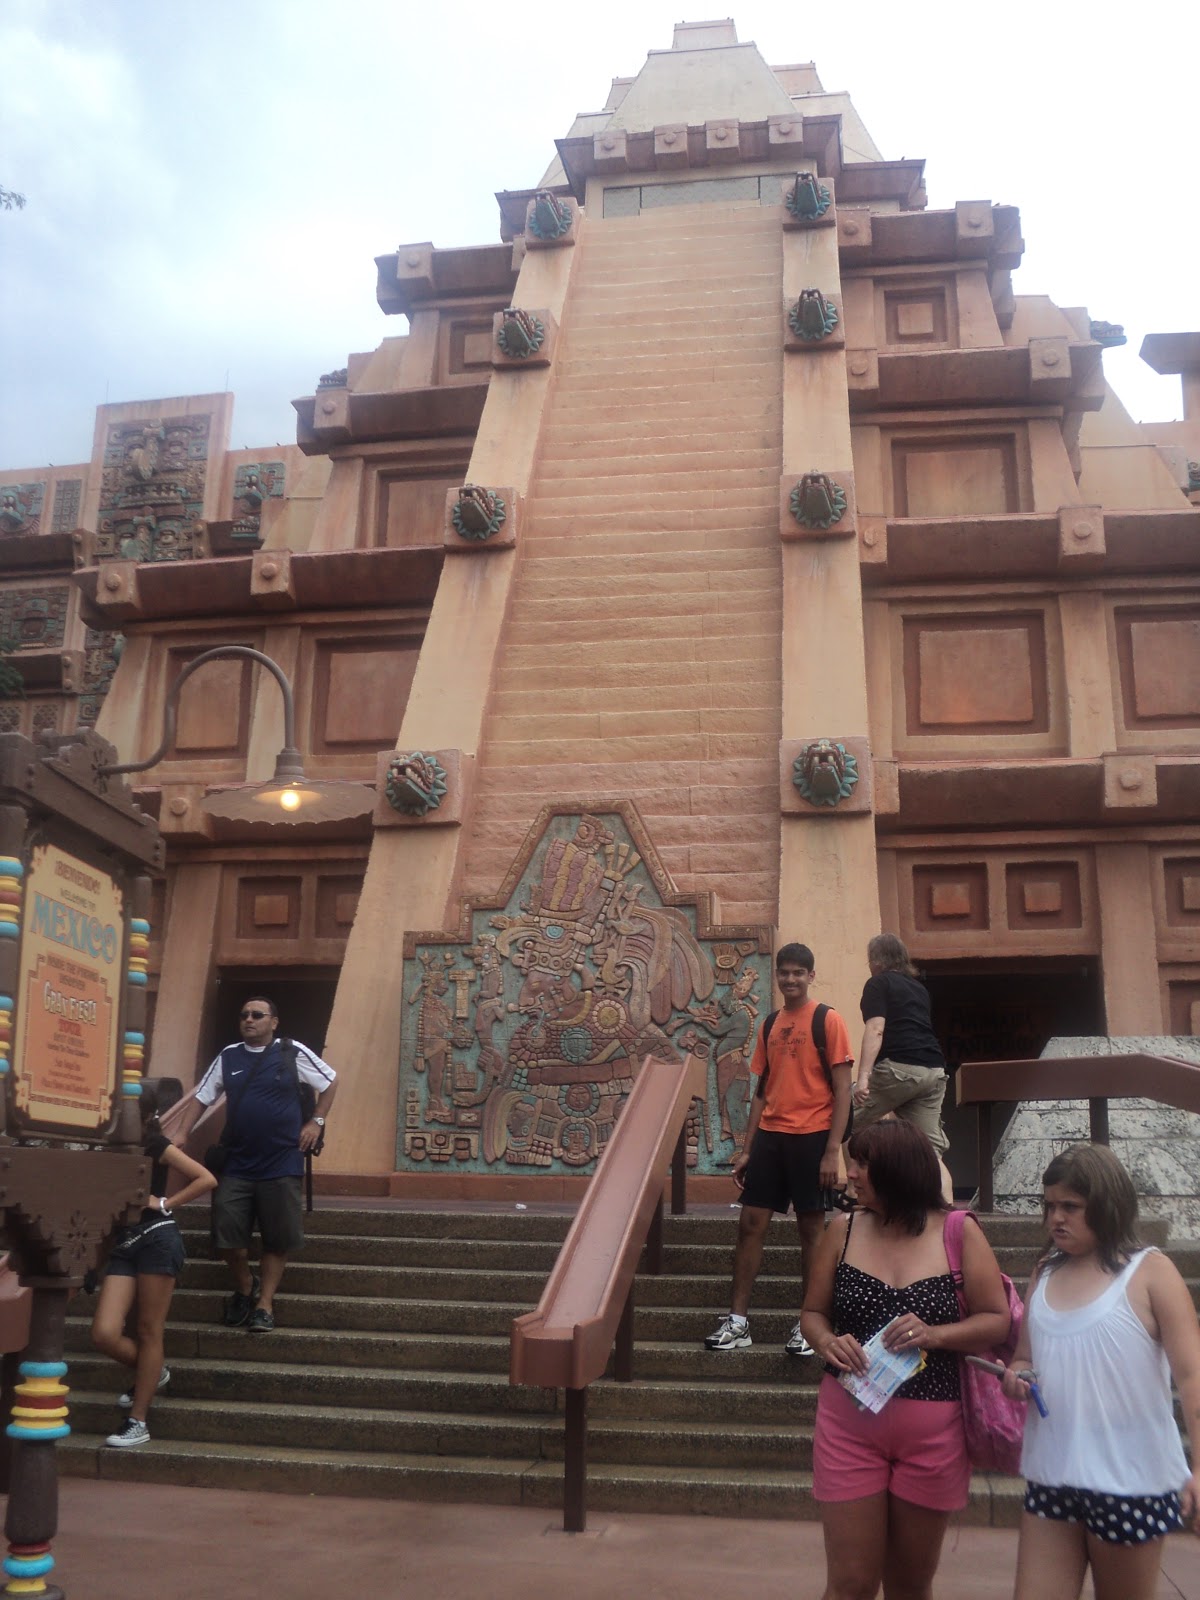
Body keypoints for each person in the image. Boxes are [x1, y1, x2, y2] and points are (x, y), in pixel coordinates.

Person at [800, 1121, 1011, 1600]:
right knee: (850, 1584)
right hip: (848, 1426)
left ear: (898, 1170)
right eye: (852, 1163)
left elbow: (996, 1320)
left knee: (910, 1585)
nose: (851, 1174)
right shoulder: (842, 1230)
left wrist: (936, 1334)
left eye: (862, 1165)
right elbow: (812, 1313)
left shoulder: (958, 1231)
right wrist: (826, 1341)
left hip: (934, 1433)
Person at [1002, 1143, 1200, 1600]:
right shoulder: (1044, 1271)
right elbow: (1024, 1356)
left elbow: (1192, 1377)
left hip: (1130, 1480)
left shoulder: (1152, 1272)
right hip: (1053, 1475)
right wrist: (1019, 1376)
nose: (1056, 1218)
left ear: (1108, 1205)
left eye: (1070, 1207)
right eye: (1049, 1206)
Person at [704, 942, 854, 1358]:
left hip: (813, 1137)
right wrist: (747, 1149)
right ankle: (738, 1322)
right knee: (750, 1224)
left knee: (811, 1231)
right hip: (771, 1136)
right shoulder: (770, 1023)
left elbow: (844, 1090)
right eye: (784, 972)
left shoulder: (828, 1020)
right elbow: (761, 1090)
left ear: (811, 976)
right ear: (777, 976)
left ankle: (809, 1325)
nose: (791, 979)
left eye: (798, 973)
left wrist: (833, 1151)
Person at [181, 997, 336, 1332]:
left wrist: (316, 1122)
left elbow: (330, 1081)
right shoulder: (229, 1055)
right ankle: (245, 1285)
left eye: (257, 1015)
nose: (248, 1020)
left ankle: (264, 1304)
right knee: (228, 1238)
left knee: (277, 1240)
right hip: (237, 1162)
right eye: (244, 1015)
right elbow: (202, 1097)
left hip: (282, 1161)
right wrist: (180, 1134)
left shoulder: (291, 1052)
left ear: (274, 1022)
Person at [91, 1084, 217, 1448]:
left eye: (126, 1110)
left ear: (146, 1116)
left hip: (157, 1239)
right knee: (104, 1333)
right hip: (123, 1245)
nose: (118, 1116)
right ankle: (153, 1370)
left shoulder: (156, 1144)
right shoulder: (106, 1147)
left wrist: (164, 1203)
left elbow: (206, 1178)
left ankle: (138, 1421)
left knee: (149, 1330)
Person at [852, 933, 948, 1158]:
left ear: (876, 961)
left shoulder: (878, 983)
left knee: (840, 1122)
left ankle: (850, 1180)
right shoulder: (919, 989)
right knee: (929, 1150)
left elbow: (876, 1028)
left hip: (900, 1068)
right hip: (934, 1071)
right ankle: (939, 1182)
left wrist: (863, 1077)